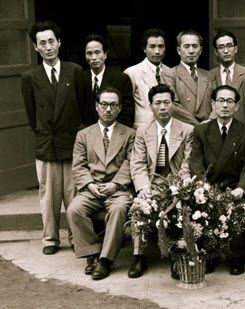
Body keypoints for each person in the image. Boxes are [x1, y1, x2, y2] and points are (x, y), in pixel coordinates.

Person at [21, 21, 82, 255]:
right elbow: (32, 114)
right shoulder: (30, 77)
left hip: (71, 141)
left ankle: (77, 236)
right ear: (36, 48)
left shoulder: (74, 71)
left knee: (73, 194)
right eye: (42, 43)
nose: (48, 47)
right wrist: (43, 137)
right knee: (48, 195)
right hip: (47, 143)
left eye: (51, 41)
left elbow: (82, 108)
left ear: (59, 42)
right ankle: (50, 238)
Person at [189, 85, 245, 275]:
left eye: (230, 101)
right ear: (213, 104)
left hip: (235, 187)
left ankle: (236, 257)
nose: (225, 105)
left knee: (239, 208)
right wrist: (204, 188)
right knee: (200, 208)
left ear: (237, 106)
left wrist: (241, 189)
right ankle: (209, 254)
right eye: (220, 101)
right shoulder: (201, 131)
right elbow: (195, 163)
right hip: (209, 186)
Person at [67, 87, 135, 280]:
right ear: (97, 107)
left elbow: (131, 162)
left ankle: (105, 260)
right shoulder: (84, 135)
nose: (108, 109)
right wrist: (90, 186)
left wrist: (115, 185)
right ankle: (92, 253)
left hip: (118, 189)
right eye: (104, 104)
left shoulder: (130, 134)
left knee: (119, 209)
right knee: (74, 209)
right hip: (92, 188)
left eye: (113, 105)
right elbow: (78, 165)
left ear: (120, 108)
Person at [129, 84, 193, 279]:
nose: (163, 107)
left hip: (176, 182)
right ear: (151, 106)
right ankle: (139, 256)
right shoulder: (142, 132)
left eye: (167, 102)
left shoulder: (187, 130)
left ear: (173, 105)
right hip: (152, 181)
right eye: (158, 103)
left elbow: (187, 163)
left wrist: (178, 186)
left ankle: (176, 255)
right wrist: (143, 187)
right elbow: (138, 163)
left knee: (180, 207)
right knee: (140, 207)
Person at [76, 34, 134, 128]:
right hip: (85, 135)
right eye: (89, 53)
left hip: (114, 133)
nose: (94, 57)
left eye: (97, 52)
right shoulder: (79, 78)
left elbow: (127, 113)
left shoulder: (121, 79)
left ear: (105, 54)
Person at [162, 29, 213, 126]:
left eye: (195, 46)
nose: (191, 51)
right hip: (182, 129)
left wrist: (210, 121)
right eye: (186, 46)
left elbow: (217, 101)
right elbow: (172, 104)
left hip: (207, 129)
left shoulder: (208, 75)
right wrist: (198, 126)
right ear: (178, 50)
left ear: (200, 50)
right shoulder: (169, 74)